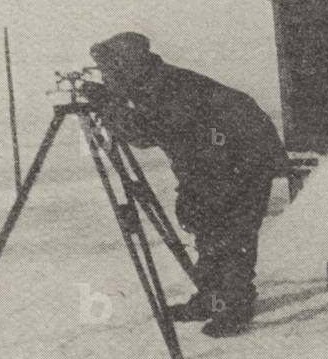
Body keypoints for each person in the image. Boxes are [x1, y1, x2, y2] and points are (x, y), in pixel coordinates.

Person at [86, 31, 287, 338]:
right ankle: (211, 299)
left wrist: (109, 108)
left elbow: (144, 133)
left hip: (244, 158)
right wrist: (112, 100)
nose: (107, 77)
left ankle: (234, 308)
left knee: (230, 232)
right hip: (213, 162)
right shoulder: (152, 83)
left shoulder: (173, 89)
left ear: (127, 66)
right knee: (206, 224)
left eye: (110, 71)